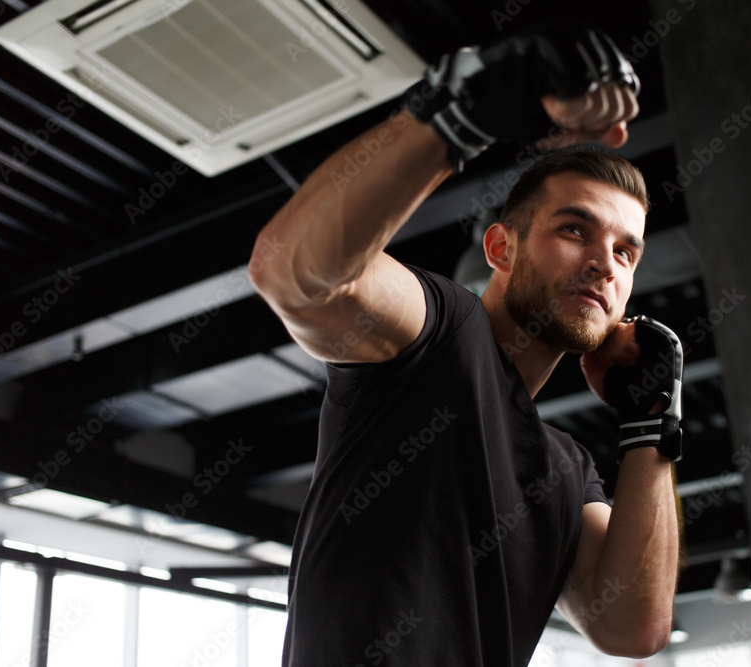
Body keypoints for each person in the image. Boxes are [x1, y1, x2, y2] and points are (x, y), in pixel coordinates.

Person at [250, 24, 681, 666]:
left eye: (626, 252)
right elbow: (290, 271)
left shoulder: (567, 468)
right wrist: (457, 118)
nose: (603, 263)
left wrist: (652, 424)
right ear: (501, 248)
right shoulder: (444, 330)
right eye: (574, 230)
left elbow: (632, 628)